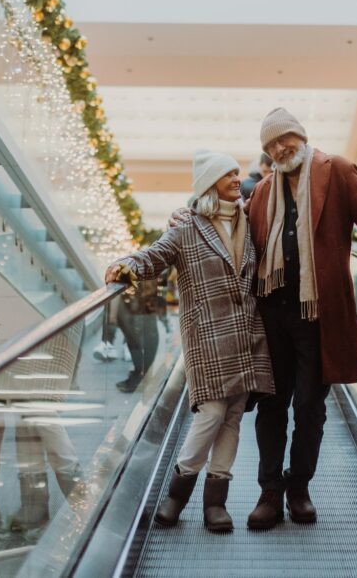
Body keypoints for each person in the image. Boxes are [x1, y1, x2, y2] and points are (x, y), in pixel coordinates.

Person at [243, 107, 357, 528]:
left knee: (310, 407)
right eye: (270, 145)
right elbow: (239, 235)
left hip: (318, 317)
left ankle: (300, 486)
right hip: (272, 314)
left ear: (300, 135)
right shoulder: (263, 190)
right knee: (272, 406)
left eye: (283, 139)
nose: (279, 148)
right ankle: (270, 491)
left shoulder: (339, 171)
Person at [106, 150, 274, 533]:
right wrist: (127, 264)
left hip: (248, 333)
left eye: (237, 173)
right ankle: (177, 494)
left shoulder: (250, 222)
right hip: (208, 335)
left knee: (232, 417)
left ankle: (216, 503)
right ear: (210, 183)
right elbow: (157, 254)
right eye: (229, 174)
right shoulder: (186, 227)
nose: (237, 179)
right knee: (212, 413)